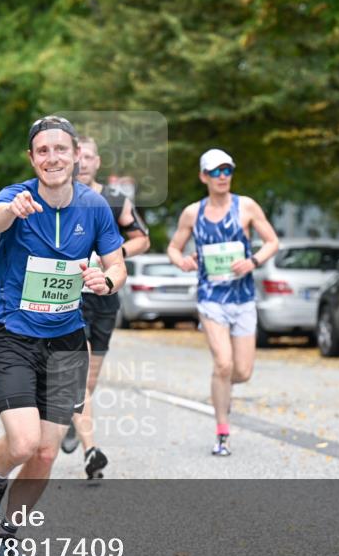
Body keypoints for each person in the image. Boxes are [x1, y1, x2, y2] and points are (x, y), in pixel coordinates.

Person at [0, 115, 126, 556]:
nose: (52, 158)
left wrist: (106, 280)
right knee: (22, 443)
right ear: (32, 158)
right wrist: (12, 211)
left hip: (66, 340)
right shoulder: (16, 197)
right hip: (13, 335)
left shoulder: (95, 206)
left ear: (76, 155)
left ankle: (10, 536)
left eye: (61, 149)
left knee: (45, 451)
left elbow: (117, 265)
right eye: (43, 151)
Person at [167, 148, 279, 456]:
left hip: (242, 298)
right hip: (211, 297)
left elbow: (273, 241)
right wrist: (183, 263)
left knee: (241, 372)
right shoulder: (193, 213)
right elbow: (174, 249)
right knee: (224, 363)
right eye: (215, 171)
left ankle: (221, 387)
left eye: (227, 170)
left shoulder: (247, 206)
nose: (222, 177)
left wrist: (253, 261)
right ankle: (222, 431)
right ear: (204, 176)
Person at [60, 137, 151, 480]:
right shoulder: (59, 198)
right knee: (79, 375)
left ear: (98, 162)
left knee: (89, 380)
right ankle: (91, 451)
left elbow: (143, 238)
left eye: (88, 157)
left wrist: (114, 257)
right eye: (77, 156)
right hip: (70, 297)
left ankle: (74, 418)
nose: (82, 162)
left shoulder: (114, 200)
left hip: (105, 298)